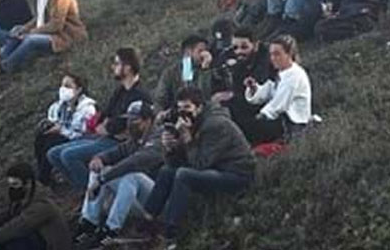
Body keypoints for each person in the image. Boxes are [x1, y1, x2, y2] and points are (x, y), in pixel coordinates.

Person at [140, 87, 255, 245]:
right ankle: (148, 221)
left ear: (199, 107)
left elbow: (200, 164)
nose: (183, 113)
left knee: (184, 175)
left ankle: (170, 232)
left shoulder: (215, 125)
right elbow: (176, 162)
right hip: (215, 166)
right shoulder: (192, 122)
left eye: (187, 108)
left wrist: (187, 140)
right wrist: (170, 147)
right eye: (180, 108)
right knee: (167, 171)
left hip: (236, 173)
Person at [47, 48, 152, 191]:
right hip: (103, 136)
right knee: (53, 154)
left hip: (117, 142)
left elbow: (123, 124)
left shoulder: (139, 95)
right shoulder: (120, 90)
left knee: (68, 156)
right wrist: (103, 124)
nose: (113, 67)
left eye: (116, 63)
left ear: (127, 67)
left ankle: (91, 192)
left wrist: (108, 127)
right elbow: (106, 113)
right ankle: (80, 187)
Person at [75, 100, 162, 247]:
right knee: (98, 168)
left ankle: (111, 229)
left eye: (135, 120)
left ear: (148, 120)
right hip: (136, 199)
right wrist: (99, 158)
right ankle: (89, 223)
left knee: (131, 176)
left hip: (157, 202)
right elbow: (117, 152)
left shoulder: (159, 137)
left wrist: (103, 179)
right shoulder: (136, 139)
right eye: (128, 119)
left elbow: (133, 162)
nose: (130, 123)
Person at [0, 0, 86, 73]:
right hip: (50, 32)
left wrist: (32, 32)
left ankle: (7, 66)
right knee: (17, 30)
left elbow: (57, 25)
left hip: (65, 35)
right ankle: (4, 59)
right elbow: (40, 17)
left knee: (30, 40)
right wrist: (24, 28)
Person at [0, 162, 72, 250]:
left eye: (15, 184)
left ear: (27, 182)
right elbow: (8, 214)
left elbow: (18, 226)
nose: (12, 189)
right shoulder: (27, 197)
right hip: (38, 240)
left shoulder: (42, 204)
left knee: (12, 241)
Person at [210, 28, 274, 144]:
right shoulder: (228, 55)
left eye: (244, 47)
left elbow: (256, 87)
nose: (238, 51)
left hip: (263, 109)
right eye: (235, 47)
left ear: (255, 45)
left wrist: (232, 93)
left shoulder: (266, 58)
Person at [244, 35, 312, 143]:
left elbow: (280, 103)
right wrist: (253, 88)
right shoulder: (281, 72)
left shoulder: (294, 74)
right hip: (280, 118)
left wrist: (262, 115)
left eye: (277, 54)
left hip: (292, 123)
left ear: (289, 54)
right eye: (271, 54)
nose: (273, 58)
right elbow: (268, 92)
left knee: (250, 127)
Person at [32, 74, 95, 185]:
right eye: (62, 85)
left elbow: (83, 132)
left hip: (78, 138)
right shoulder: (62, 106)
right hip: (65, 134)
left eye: (68, 86)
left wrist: (61, 130)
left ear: (79, 89)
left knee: (51, 143)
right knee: (41, 139)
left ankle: (45, 178)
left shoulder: (87, 108)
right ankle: (44, 174)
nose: (63, 89)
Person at [152, 35, 214, 112]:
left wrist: (205, 70)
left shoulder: (208, 71)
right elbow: (160, 98)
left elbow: (205, 95)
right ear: (188, 51)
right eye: (200, 51)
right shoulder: (173, 72)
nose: (203, 55)